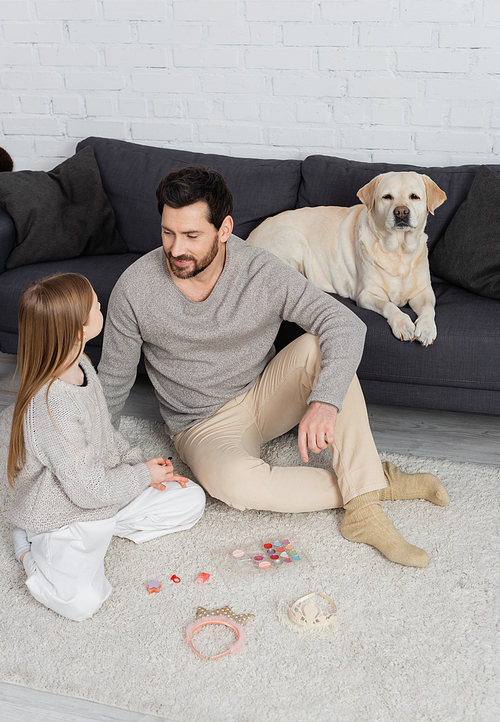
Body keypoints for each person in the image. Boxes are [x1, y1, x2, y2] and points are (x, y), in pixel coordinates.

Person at [98, 166, 450, 570]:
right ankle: (372, 481)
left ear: (225, 228)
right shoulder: (136, 287)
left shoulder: (260, 269)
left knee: (322, 346)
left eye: (192, 236)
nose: (177, 249)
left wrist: (324, 403)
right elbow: (112, 382)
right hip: (200, 423)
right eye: (168, 232)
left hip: (265, 392)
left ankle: (364, 514)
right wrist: (100, 471)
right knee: (234, 485)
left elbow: (345, 324)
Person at [8, 273, 205, 621]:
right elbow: (86, 490)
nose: (103, 305)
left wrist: (139, 465)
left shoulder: (80, 364)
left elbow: (104, 432)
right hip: (64, 515)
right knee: (81, 603)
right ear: (79, 331)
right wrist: (142, 476)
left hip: (101, 494)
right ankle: (30, 549)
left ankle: (106, 527)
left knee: (191, 499)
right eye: (96, 306)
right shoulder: (53, 408)